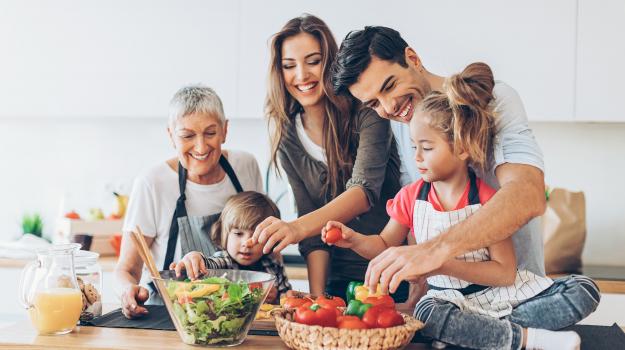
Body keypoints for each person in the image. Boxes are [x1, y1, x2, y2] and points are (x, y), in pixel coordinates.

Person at [323, 63, 599, 350]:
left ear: (462, 148)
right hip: (449, 302)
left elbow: (505, 273)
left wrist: (440, 261)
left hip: (499, 296)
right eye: (414, 146)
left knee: (584, 289)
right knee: (428, 313)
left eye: (427, 148)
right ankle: (526, 339)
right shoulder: (410, 197)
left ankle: (478, 335)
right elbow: (383, 245)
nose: (416, 157)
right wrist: (353, 240)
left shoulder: (489, 201)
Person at [329, 26, 551, 295]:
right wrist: (418, 289)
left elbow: (528, 194)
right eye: (374, 104)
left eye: (389, 86)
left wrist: (433, 253)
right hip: (448, 298)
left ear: (412, 58)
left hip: (518, 292)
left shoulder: (495, 100)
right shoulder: (404, 121)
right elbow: (417, 217)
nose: (388, 108)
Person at [256, 14, 408, 301]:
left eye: (313, 61)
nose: (301, 76)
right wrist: (318, 299)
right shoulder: (288, 137)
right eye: (289, 66)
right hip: (338, 282)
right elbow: (313, 235)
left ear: (330, 62)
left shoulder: (368, 111)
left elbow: (363, 192)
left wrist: (294, 228)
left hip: (392, 274)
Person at [115, 85, 263, 318]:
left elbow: (265, 241)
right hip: (170, 317)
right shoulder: (152, 183)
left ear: (225, 130)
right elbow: (127, 269)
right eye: (187, 135)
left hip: (237, 314)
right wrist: (127, 291)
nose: (201, 147)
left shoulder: (245, 166)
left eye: (210, 133)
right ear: (171, 135)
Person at [170, 191, 291, 305]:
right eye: (238, 234)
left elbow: (287, 298)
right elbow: (208, 264)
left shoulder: (273, 265)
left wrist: (277, 297)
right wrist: (196, 258)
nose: (247, 243)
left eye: (256, 237)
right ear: (224, 235)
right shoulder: (224, 261)